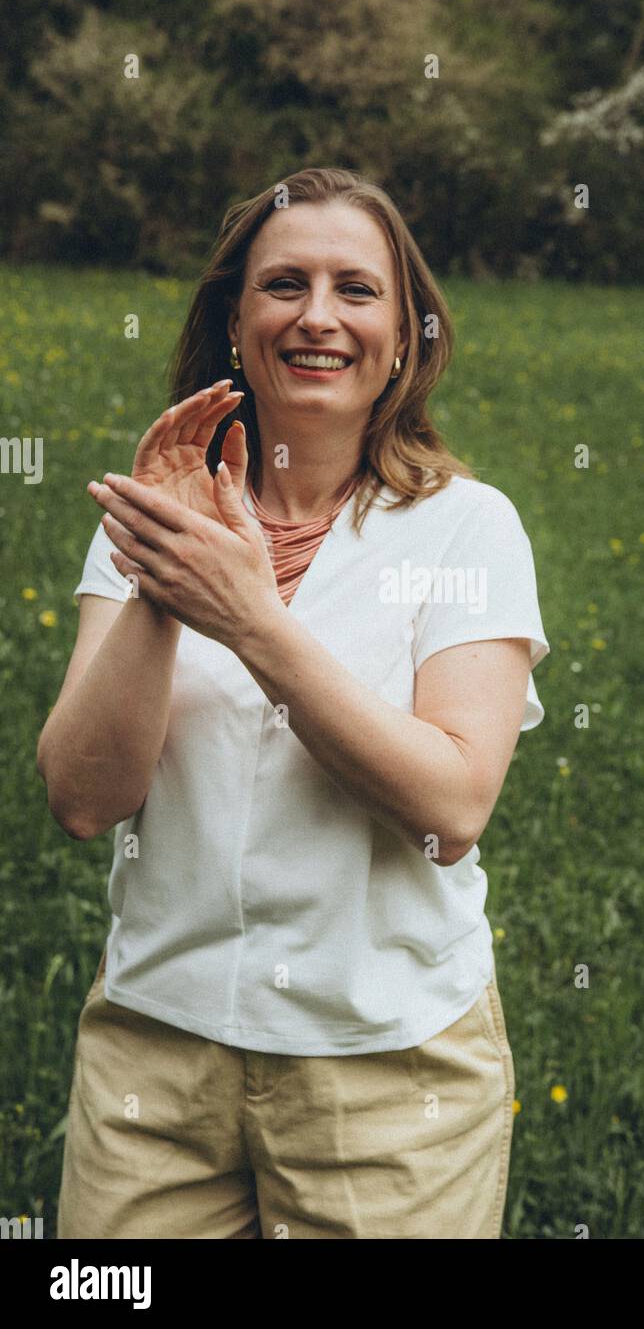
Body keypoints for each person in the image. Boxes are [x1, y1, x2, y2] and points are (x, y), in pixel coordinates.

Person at [38, 166, 549, 1239]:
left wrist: (253, 619)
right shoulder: (150, 518)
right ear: (237, 319)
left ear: (407, 332)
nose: (318, 315)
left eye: (355, 289)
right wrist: (163, 589)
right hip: (155, 1056)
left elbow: (450, 805)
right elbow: (84, 797)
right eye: (283, 284)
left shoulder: (467, 528)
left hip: (384, 1067)